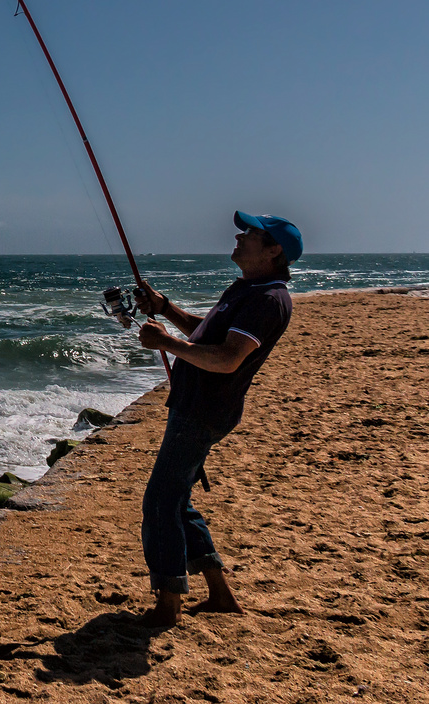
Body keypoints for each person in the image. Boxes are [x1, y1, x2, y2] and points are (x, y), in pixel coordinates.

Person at [129, 210, 302, 627]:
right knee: (178, 500)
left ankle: (168, 603)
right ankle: (220, 594)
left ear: (274, 251)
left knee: (159, 503)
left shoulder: (267, 299)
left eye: (252, 234)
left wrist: (167, 344)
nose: (240, 237)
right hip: (195, 407)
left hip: (203, 412)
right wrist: (166, 309)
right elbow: (204, 333)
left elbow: (226, 359)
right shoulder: (248, 288)